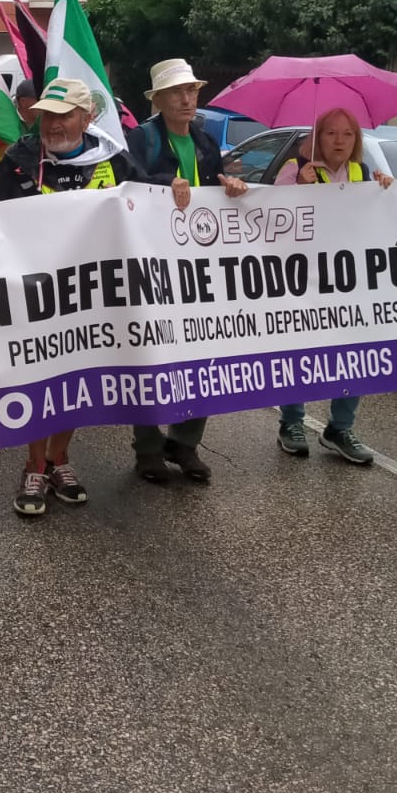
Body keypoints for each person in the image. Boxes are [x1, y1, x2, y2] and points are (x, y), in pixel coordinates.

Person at [0, 78, 141, 517]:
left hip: (93, 297)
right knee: (40, 379)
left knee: (76, 382)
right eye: (48, 115)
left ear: (87, 118)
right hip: (35, 295)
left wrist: (180, 195)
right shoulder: (18, 162)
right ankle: (34, 464)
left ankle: (59, 459)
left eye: (63, 115)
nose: (52, 124)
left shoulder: (115, 160)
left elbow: (152, 205)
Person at [129, 59, 251, 485]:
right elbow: (131, 184)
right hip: (153, 263)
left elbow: (216, 186)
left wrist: (230, 187)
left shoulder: (203, 140)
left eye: (192, 91)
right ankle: (147, 449)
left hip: (199, 265)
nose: (186, 99)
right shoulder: (141, 138)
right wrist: (166, 182)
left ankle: (184, 442)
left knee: (204, 353)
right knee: (150, 354)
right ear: (158, 100)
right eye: (177, 92)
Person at [271, 108, 394, 465]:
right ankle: (291, 423)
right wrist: (298, 189)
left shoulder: (363, 173)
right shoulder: (296, 170)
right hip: (304, 281)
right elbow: (273, 218)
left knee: (353, 353)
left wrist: (385, 190)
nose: (339, 141)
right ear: (317, 138)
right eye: (331, 134)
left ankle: (340, 427)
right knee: (300, 350)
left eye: (347, 134)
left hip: (349, 282)